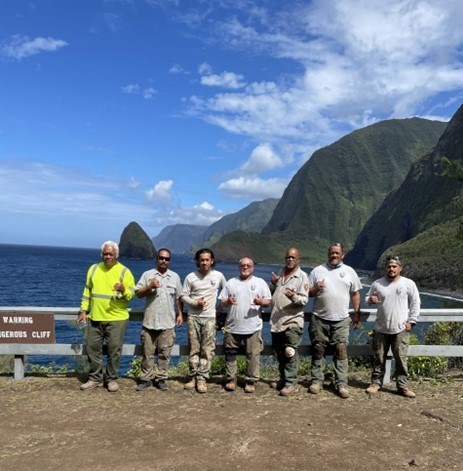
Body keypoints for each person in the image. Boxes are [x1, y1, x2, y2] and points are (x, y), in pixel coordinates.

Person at [77, 241, 135, 392]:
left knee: (113, 350)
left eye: (111, 254)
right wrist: (83, 310)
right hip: (95, 317)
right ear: (101, 254)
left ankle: (111, 379)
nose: (108, 256)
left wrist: (123, 290)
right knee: (92, 349)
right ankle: (95, 378)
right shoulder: (94, 269)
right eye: (105, 253)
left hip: (117, 319)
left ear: (117, 255)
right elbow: (87, 291)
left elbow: (131, 295)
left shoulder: (124, 271)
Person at [308, 243, 362, 399]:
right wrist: (316, 289)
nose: (334, 255)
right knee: (318, 349)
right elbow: (308, 293)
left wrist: (357, 314)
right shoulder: (317, 271)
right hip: (319, 317)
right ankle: (317, 380)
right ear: (328, 254)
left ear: (342, 255)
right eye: (332, 253)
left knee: (341, 350)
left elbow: (355, 294)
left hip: (342, 318)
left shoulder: (349, 271)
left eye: (337, 253)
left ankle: (341, 383)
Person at [365, 255, 420, 398]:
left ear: (400, 268)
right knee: (379, 357)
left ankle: (403, 386)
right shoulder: (377, 284)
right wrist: (370, 300)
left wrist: (412, 321)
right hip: (381, 328)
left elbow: (415, 303)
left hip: (400, 328)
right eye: (389, 266)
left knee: (401, 358)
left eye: (394, 266)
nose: (391, 269)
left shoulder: (408, 284)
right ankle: (376, 383)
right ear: (385, 268)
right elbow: (367, 298)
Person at [219, 257, 272, 394]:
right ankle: (231, 379)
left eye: (248, 265)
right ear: (239, 267)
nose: (245, 267)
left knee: (253, 355)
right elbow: (222, 302)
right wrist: (228, 302)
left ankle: (250, 381)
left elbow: (268, 301)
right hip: (232, 326)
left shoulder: (260, 282)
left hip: (253, 326)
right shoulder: (231, 282)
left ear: (252, 268)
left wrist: (261, 302)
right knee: (230, 353)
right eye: (243, 265)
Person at [135, 248, 183, 392]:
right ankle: (145, 379)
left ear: (170, 261)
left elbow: (179, 297)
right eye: (161, 258)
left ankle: (161, 378)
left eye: (167, 259)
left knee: (164, 354)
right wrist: (149, 286)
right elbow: (138, 293)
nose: (164, 261)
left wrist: (180, 314)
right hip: (150, 322)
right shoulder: (147, 275)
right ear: (156, 258)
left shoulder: (175, 277)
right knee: (147, 353)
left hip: (167, 323)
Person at [181, 248, 226, 393]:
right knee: (194, 348)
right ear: (198, 261)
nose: (204, 262)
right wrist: (195, 303)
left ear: (212, 261)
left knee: (207, 350)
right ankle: (193, 376)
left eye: (207, 260)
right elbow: (183, 296)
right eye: (202, 260)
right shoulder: (190, 277)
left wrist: (220, 307)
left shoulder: (218, 276)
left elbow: (226, 292)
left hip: (210, 318)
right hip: (193, 317)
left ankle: (202, 379)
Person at [269, 247, 309, 396]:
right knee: (279, 352)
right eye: (288, 257)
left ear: (298, 259)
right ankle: (283, 379)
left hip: (292, 320)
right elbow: (273, 292)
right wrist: (273, 283)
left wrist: (293, 296)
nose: (290, 260)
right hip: (277, 320)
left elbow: (304, 300)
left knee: (290, 351)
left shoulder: (302, 277)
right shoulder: (280, 273)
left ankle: (291, 383)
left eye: (293, 257)